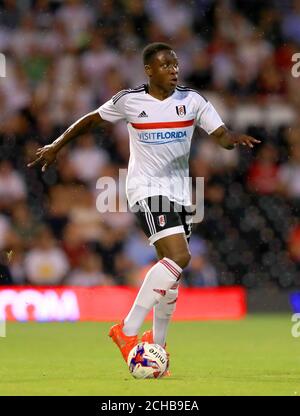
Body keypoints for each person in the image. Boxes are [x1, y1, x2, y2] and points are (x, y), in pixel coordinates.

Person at [28, 42, 260, 375]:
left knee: (172, 274)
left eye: (175, 64)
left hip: (183, 194)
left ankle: (159, 346)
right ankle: (127, 329)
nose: (173, 70)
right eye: (165, 65)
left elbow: (220, 134)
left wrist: (232, 138)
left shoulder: (192, 100)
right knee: (180, 258)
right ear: (149, 70)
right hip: (147, 190)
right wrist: (57, 144)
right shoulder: (130, 100)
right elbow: (91, 120)